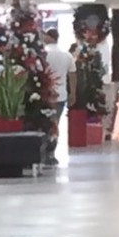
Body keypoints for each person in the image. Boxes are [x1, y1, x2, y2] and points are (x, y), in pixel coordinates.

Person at [44, 28, 75, 164]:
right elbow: (73, 75)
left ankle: (45, 151)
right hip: (61, 94)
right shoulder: (67, 55)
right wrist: (73, 93)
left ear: (50, 37)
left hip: (44, 94)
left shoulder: (43, 54)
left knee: (45, 123)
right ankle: (52, 152)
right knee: (56, 123)